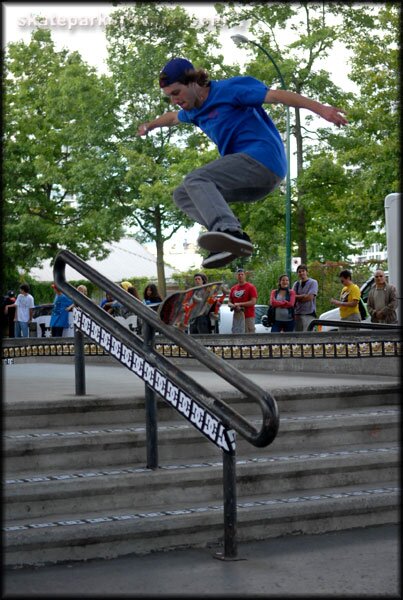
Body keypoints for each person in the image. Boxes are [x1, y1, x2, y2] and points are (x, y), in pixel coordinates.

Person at [137, 57, 347, 269]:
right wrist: (150, 125)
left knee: (196, 179)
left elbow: (277, 96)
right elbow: (172, 118)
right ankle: (229, 239)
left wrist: (321, 109)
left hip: (263, 159)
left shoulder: (230, 89)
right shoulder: (193, 112)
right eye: (169, 96)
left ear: (193, 82)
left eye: (176, 93)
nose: (175, 100)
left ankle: (228, 231)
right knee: (182, 194)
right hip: (251, 183)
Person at [228, 268, 258, 334]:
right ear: (236, 276)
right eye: (239, 274)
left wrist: (239, 304)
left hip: (248, 316)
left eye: (242, 274)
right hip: (237, 316)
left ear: (245, 276)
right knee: (236, 335)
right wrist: (233, 306)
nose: (240, 276)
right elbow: (229, 302)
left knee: (249, 337)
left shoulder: (251, 287)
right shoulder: (233, 288)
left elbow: (253, 302)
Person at [292, 265, 319, 331]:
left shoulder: (313, 282)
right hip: (297, 314)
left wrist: (298, 297)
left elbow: (310, 297)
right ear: (297, 274)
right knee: (297, 336)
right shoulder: (296, 284)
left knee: (308, 335)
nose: (301, 273)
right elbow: (292, 297)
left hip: (309, 314)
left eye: (303, 271)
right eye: (299, 272)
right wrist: (304, 295)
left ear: (307, 272)